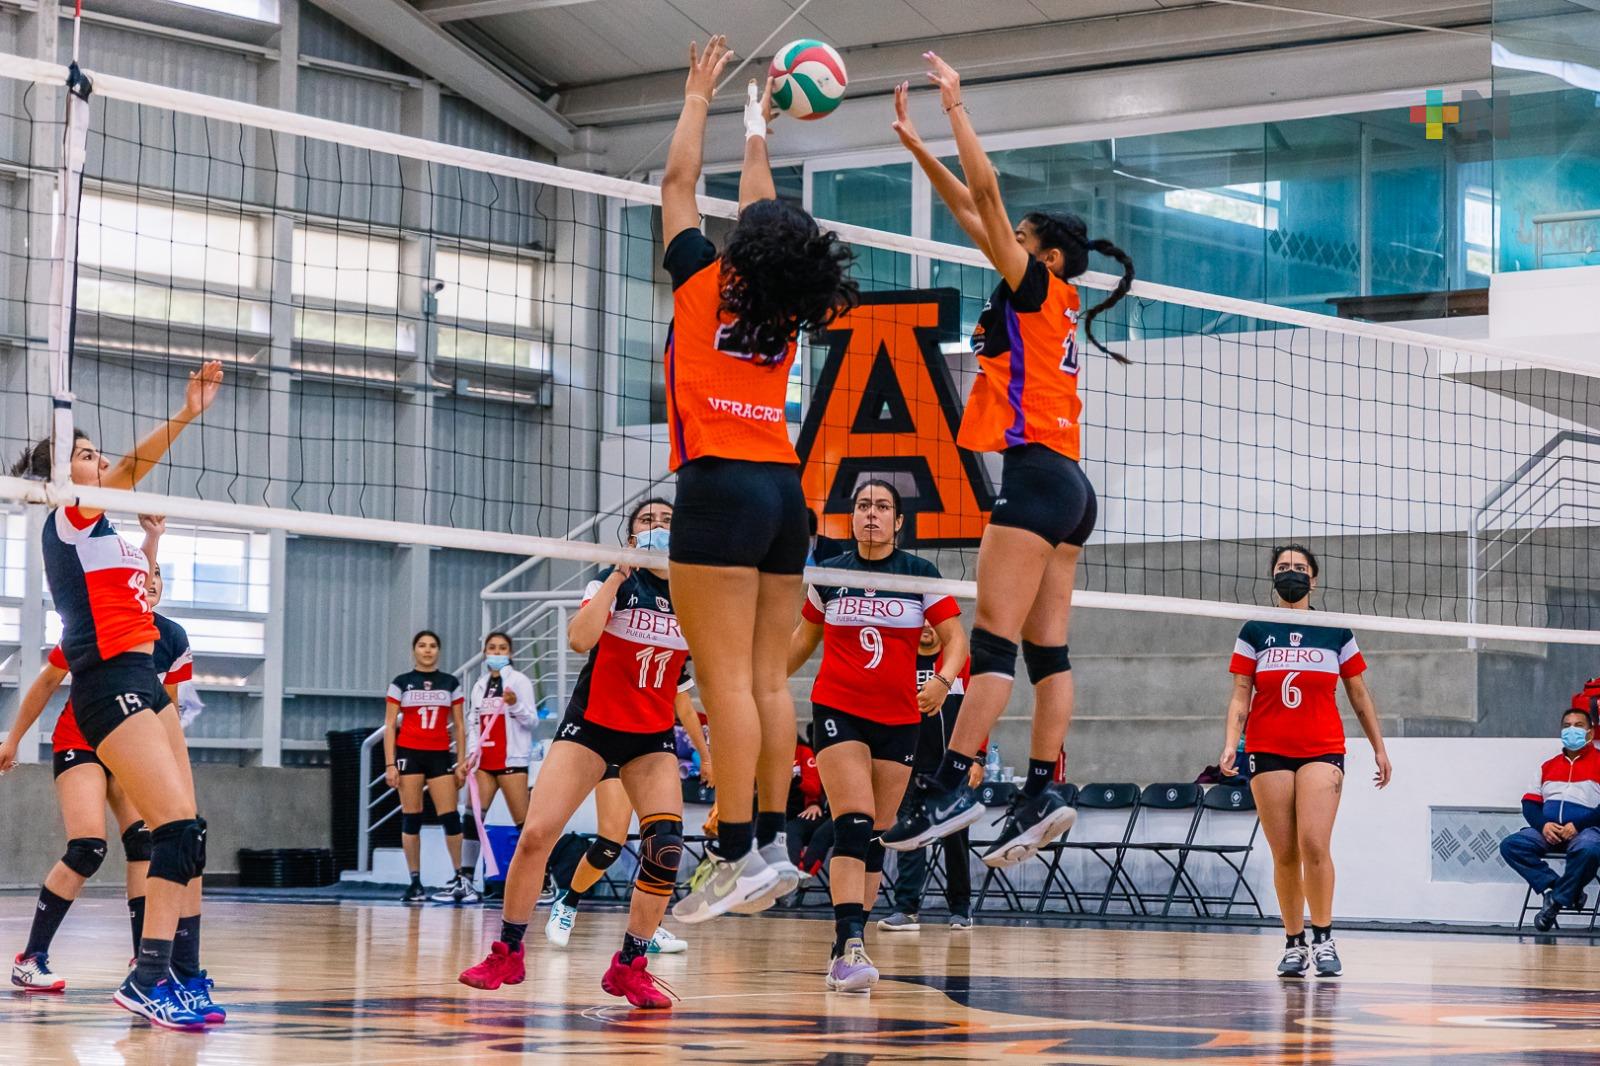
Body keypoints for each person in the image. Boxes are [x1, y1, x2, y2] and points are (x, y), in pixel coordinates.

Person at [881, 57, 1135, 867]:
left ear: (1048, 257)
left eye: (1022, 240)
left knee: (992, 646)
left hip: (1033, 477)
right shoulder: (1045, 296)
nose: (1007, 242)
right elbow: (973, 210)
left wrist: (958, 109)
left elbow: (985, 198)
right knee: (1047, 651)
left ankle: (956, 780)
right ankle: (1042, 788)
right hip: (1072, 486)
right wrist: (918, 147)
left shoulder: (1032, 291)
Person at [658, 36, 859, 922]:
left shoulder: (706, 279)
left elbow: (674, 188)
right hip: (786, 493)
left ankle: (734, 851)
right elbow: (767, 218)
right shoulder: (788, 300)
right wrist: (754, 131)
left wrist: (701, 98)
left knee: (723, 683)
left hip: (719, 487)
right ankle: (772, 843)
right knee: (771, 681)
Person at [5, 362, 221, 1029]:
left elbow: (141, 600)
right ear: (62, 478)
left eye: (94, 453)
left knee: (191, 833)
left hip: (144, 679)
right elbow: (130, 471)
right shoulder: (69, 518)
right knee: (163, 831)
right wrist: (187, 414)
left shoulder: (109, 536)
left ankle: (182, 973)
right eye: (84, 454)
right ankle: (147, 977)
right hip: (106, 687)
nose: (98, 462)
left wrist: (151, 549)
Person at [459, 501, 691, 1008]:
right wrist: (618, 572)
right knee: (538, 833)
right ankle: (509, 951)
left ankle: (631, 966)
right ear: (629, 535)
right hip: (591, 727)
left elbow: (686, 683)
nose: (658, 528)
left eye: (668, 522)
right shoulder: (612, 583)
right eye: (647, 521)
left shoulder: (696, 597)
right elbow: (579, 638)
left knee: (666, 845)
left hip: (649, 738)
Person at [787, 480, 967, 992]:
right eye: (863, 506)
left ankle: (845, 943)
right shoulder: (830, 574)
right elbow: (804, 640)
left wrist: (942, 679)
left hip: (899, 719)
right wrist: (757, 681)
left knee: (877, 830)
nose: (872, 514)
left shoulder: (920, 574)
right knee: (854, 820)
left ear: (898, 521)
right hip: (839, 710)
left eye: (882, 507)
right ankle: (851, 946)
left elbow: (957, 641)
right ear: (851, 518)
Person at [1218, 543, 1392, 978]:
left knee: (1315, 844)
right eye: (1282, 567)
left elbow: (1358, 692)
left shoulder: (1335, 631)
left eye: (1299, 568)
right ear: (1272, 577)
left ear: (1313, 579)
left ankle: (1324, 937)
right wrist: (1230, 743)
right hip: (1266, 747)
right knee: (1284, 853)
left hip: (1321, 747)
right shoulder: (1256, 629)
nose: (1290, 573)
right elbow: (1242, 691)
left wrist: (1379, 746)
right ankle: (1294, 943)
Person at [880, 623, 980, 932]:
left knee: (955, 839)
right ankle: (906, 909)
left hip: (951, 767)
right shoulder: (902, 661)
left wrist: (978, 757)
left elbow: (978, 710)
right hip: (908, 766)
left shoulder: (959, 662)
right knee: (910, 837)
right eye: (921, 621)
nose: (925, 627)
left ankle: (961, 909)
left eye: (932, 623)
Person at [383, 630, 473, 904]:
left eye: (433, 645)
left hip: (439, 755)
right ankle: (415, 882)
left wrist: (460, 760)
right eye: (422, 645)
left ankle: (460, 878)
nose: (427, 650)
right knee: (412, 818)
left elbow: (459, 725)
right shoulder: (401, 683)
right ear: (414, 650)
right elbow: (389, 726)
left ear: (438, 651)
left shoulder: (449, 683)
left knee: (449, 817)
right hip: (409, 753)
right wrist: (390, 764)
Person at [1499, 707, 1600, 931]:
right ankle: (1564, 891)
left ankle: (1553, 901)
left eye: (1578, 726)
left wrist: (1578, 825)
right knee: (1512, 845)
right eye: (1566, 726)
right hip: (1549, 830)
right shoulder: (1548, 766)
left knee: (1590, 849)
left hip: (1586, 830)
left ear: (1591, 733)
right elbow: (1529, 804)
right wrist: (1543, 825)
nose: (1571, 730)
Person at [465, 629, 536, 880]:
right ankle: (465, 879)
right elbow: (474, 723)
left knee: (524, 824)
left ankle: (543, 879)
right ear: (485, 653)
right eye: (492, 648)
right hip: (485, 762)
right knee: (471, 817)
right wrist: (472, 754)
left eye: (502, 648)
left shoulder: (519, 681)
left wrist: (515, 704)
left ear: (510, 653)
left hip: (511, 762)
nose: (496, 652)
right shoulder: (479, 686)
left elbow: (531, 721)